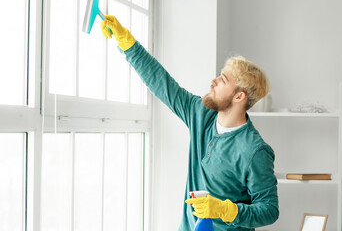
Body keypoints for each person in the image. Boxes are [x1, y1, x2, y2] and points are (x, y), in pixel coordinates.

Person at [100, 15, 279, 231]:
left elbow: (269, 209)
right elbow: (163, 85)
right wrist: (126, 42)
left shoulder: (254, 150)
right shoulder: (201, 115)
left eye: (222, 80)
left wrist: (226, 210)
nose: (213, 82)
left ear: (239, 97)